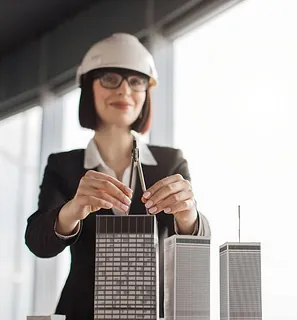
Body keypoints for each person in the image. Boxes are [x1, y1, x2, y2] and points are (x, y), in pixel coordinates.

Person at [25, 33, 210, 320]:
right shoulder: (64, 165)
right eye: (111, 79)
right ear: (88, 87)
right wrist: (73, 209)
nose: (125, 91)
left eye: (136, 81)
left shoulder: (170, 161)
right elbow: (38, 243)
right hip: (82, 310)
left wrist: (188, 216)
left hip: (154, 311)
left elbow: (194, 249)